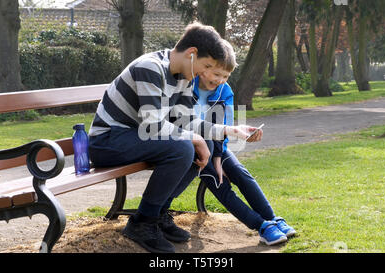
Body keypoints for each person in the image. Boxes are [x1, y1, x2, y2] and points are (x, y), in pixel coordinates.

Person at [88, 22, 260, 253]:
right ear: (191, 54)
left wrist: (231, 130)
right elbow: (153, 124)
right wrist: (195, 139)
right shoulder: (150, 67)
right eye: (206, 65)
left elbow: (188, 123)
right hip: (108, 141)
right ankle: (142, 223)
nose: (204, 73)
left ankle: (158, 215)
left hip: (135, 138)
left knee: (201, 143)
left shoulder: (183, 76)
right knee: (184, 148)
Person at [193, 40, 297, 246]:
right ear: (204, 68)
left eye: (226, 76)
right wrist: (212, 160)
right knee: (219, 183)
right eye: (217, 74)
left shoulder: (225, 91)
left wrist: (218, 157)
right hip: (193, 148)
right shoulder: (187, 86)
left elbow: (225, 125)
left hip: (215, 146)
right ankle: (261, 226)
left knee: (240, 172)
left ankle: (272, 218)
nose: (221, 80)